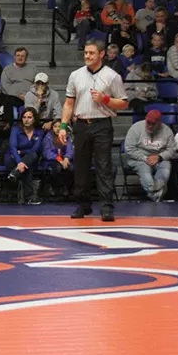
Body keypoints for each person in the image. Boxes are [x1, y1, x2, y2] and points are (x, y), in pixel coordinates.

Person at [58, 40, 128, 222]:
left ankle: (106, 207)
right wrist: (63, 126)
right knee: (80, 166)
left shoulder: (112, 76)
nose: (87, 56)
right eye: (86, 53)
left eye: (91, 53)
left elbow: (123, 102)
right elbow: (68, 103)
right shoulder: (75, 75)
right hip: (80, 123)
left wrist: (105, 99)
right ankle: (83, 204)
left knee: (103, 166)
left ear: (102, 54)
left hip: (102, 124)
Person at [123, 109, 177, 202]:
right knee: (144, 169)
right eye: (148, 123)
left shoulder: (167, 131)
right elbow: (129, 149)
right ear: (145, 119)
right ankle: (157, 194)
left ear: (159, 123)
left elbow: (172, 149)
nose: (150, 126)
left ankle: (156, 190)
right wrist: (145, 158)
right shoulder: (136, 128)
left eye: (153, 124)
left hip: (159, 157)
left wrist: (159, 157)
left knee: (166, 166)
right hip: (138, 158)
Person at [6, 109, 45, 204]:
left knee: (32, 157)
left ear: (34, 119)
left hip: (31, 157)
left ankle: (14, 173)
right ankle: (29, 197)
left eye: (29, 117)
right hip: (14, 157)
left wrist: (22, 153)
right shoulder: (15, 129)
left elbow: (35, 149)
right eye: (24, 117)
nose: (26, 120)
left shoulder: (39, 132)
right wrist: (20, 162)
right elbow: (13, 148)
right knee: (27, 165)